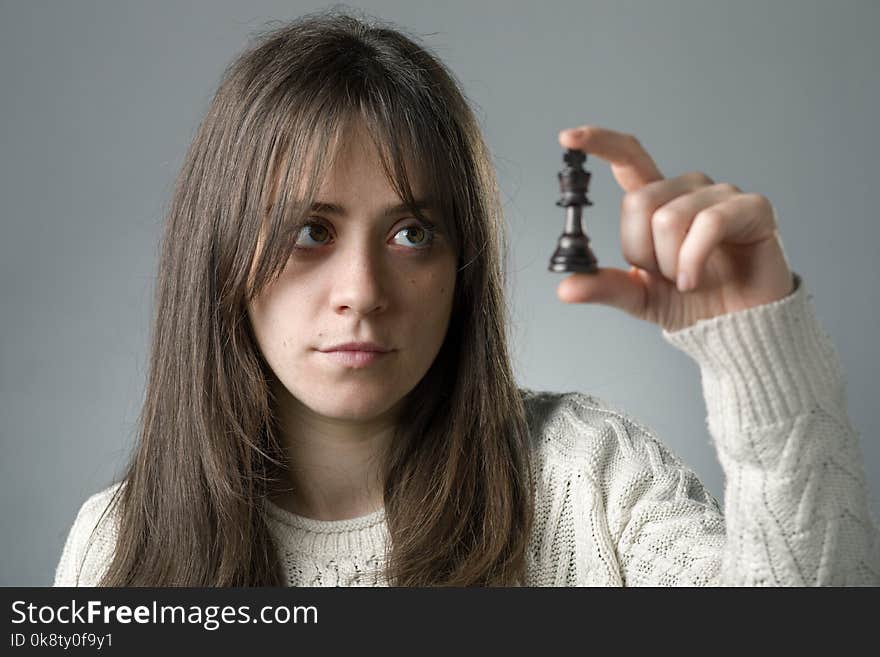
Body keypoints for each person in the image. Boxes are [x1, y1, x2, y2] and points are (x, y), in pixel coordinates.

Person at [53, 9, 879, 587]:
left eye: (412, 233)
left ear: (464, 264)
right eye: (310, 231)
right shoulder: (118, 544)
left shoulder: (591, 478)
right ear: (220, 253)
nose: (362, 294)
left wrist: (759, 356)